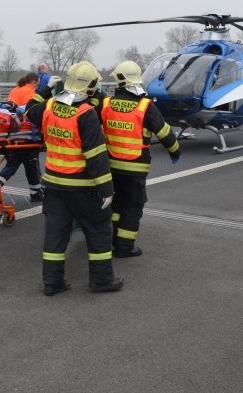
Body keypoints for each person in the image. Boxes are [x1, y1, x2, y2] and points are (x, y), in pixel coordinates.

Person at [25, 60, 123, 296]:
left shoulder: (48, 106)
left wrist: (46, 89)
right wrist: (107, 189)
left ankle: (52, 282)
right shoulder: (85, 113)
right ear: (89, 86)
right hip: (84, 188)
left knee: (55, 235)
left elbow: (29, 111)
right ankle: (101, 280)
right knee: (98, 231)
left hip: (54, 185)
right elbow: (96, 156)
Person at [102, 61, 181, 258]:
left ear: (120, 81)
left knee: (116, 204)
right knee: (133, 206)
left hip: (111, 167)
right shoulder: (146, 106)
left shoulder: (106, 104)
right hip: (135, 168)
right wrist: (175, 151)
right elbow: (164, 133)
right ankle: (125, 247)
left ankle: (112, 241)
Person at [0, 72, 44, 203]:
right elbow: (30, 114)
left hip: (11, 131)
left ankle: (36, 191)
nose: (37, 87)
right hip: (23, 132)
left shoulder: (15, 90)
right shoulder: (30, 93)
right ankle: (35, 191)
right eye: (37, 85)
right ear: (33, 82)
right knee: (28, 157)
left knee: (23, 159)